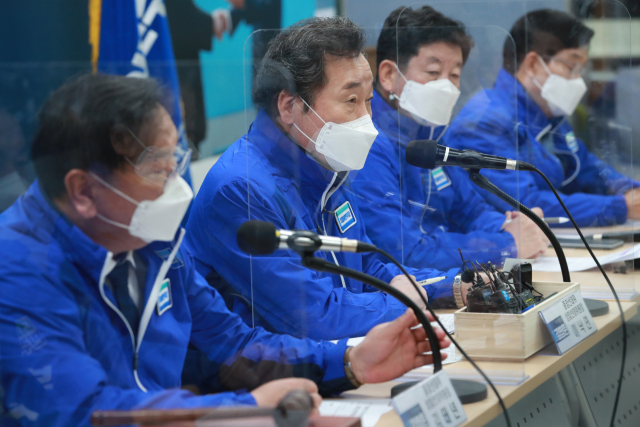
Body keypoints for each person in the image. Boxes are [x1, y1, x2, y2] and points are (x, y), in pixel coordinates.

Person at [0, 73, 450, 426]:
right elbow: (82, 413)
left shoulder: (150, 240)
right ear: (82, 190)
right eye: (158, 169)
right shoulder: (18, 268)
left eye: (177, 161)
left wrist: (351, 362)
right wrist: (238, 413)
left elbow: (231, 347)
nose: (177, 186)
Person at [185, 17, 464, 341]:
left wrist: (453, 286)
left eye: (369, 102)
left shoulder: (323, 163)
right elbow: (314, 316)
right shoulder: (241, 191)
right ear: (289, 106)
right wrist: (404, 303)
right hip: (266, 379)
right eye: (351, 101)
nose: (367, 120)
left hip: (334, 359)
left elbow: (369, 268)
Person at [351, 6, 550, 274]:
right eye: (433, 72)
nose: (446, 86)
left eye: (454, 75)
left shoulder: (432, 137)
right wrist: (507, 245)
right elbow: (405, 251)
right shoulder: (368, 146)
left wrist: (511, 227)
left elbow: (471, 210)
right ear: (388, 75)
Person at [446, 9, 640, 227]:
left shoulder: (548, 114)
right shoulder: (484, 122)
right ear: (532, 65)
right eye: (572, 66)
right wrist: (619, 207)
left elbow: (586, 166)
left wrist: (627, 188)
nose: (579, 80)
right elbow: (525, 203)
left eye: (582, 69)